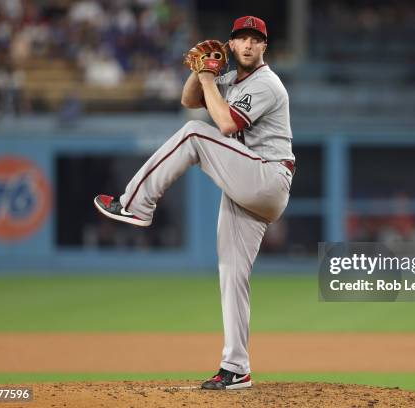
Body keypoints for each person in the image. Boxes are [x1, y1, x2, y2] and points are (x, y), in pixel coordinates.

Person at [94, 15, 295, 390]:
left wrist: (206, 77)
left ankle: (135, 203)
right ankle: (237, 368)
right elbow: (189, 99)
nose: (249, 45)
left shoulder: (267, 83)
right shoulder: (231, 81)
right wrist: (199, 69)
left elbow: (226, 125)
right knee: (232, 273)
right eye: (242, 39)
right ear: (232, 45)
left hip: (268, 177)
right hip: (250, 185)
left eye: (256, 39)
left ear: (265, 46)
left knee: (192, 135)